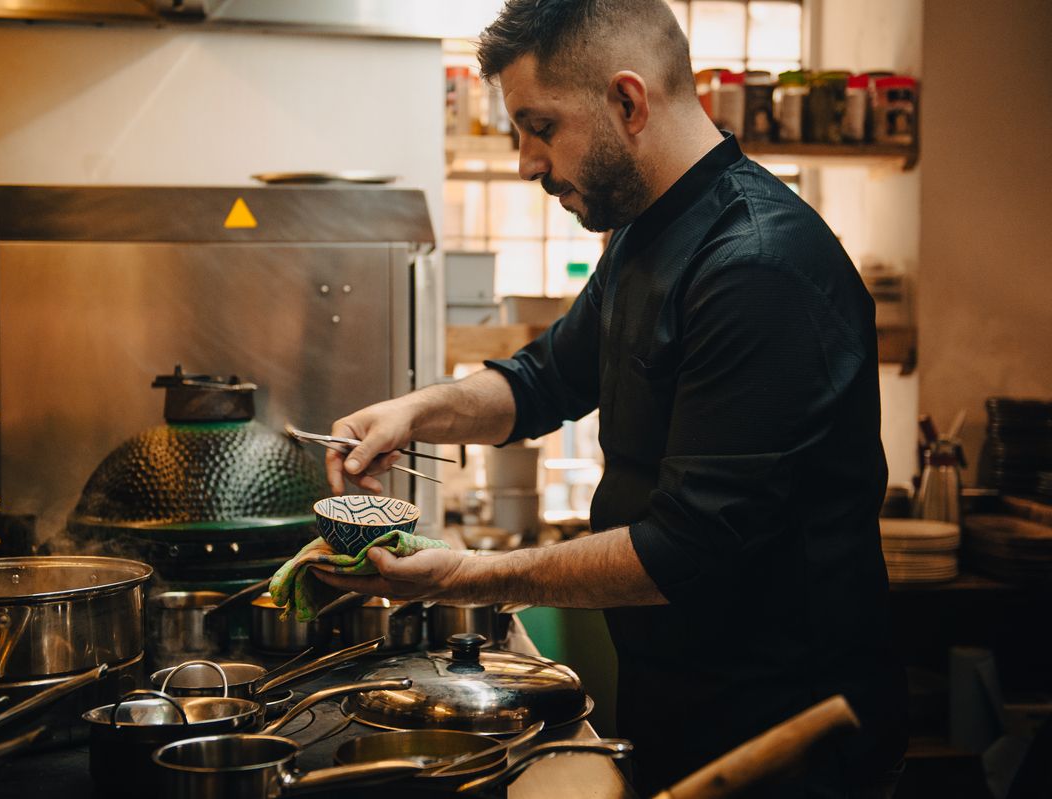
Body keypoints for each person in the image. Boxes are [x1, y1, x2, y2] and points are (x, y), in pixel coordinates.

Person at [314, 1, 908, 795]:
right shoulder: (648, 232)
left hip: (785, 731)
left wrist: (461, 575)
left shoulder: (757, 267)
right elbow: (544, 380)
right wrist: (413, 412)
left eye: (539, 126)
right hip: (678, 693)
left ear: (628, 102)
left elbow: (682, 550)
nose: (526, 161)